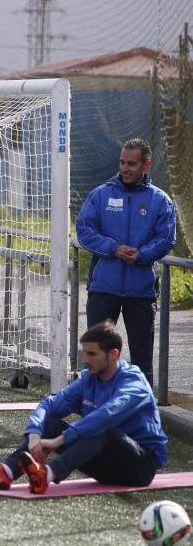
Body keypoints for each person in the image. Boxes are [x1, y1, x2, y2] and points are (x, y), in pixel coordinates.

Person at [0, 321, 167, 495]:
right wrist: (35, 434)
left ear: (113, 354)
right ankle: (5, 472)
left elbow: (106, 415)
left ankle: (47, 475)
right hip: (103, 465)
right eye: (84, 353)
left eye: (92, 353)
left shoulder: (134, 382)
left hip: (139, 468)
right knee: (50, 423)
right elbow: (50, 404)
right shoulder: (89, 378)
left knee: (102, 429)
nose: (85, 360)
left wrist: (60, 441)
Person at [76, 138, 176, 386]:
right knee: (96, 357)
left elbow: (166, 237)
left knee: (141, 361)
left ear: (146, 165)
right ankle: (96, 413)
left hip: (140, 292)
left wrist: (142, 254)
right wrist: (113, 248)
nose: (125, 168)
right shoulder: (101, 194)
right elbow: (85, 230)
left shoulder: (160, 200)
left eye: (132, 163)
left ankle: (140, 417)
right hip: (103, 289)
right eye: (122, 162)